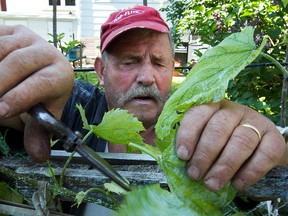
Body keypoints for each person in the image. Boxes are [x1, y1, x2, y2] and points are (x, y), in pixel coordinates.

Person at [0, 5, 287, 198]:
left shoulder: (197, 124)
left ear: (172, 69)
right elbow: (16, 112)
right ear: (101, 71)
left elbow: (276, 161)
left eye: (159, 63)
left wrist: (263, 143)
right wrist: (35, 80)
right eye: (130, 62)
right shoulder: (76, 109)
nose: (147, 77)